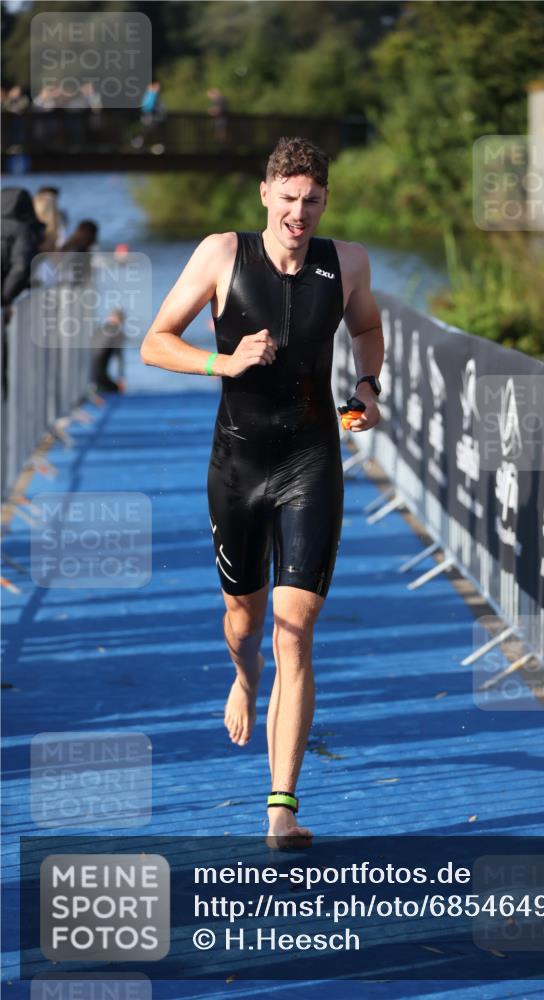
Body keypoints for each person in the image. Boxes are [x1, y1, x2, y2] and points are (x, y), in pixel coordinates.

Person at [141, 136, 384, 849]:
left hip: (312, 458)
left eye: (310, 202)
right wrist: (225, 359)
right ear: (264, 195)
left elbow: (366, 329)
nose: (297, 214)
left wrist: (366, 386)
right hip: (238, 467)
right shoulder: (223, 254)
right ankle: (241, 677)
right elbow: (155, 342)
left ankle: (281, 806)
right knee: (245, 627)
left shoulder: (348, 264)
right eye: (287, 200)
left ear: (323, 202)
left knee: (294, 630)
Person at [92, 309, 126, 393]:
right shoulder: (118, 333)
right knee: (116, 390)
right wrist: (121, 378)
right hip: (98, 372)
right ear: (121, 321)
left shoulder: (98, 330)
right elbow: (119, 358)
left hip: (87, 368)